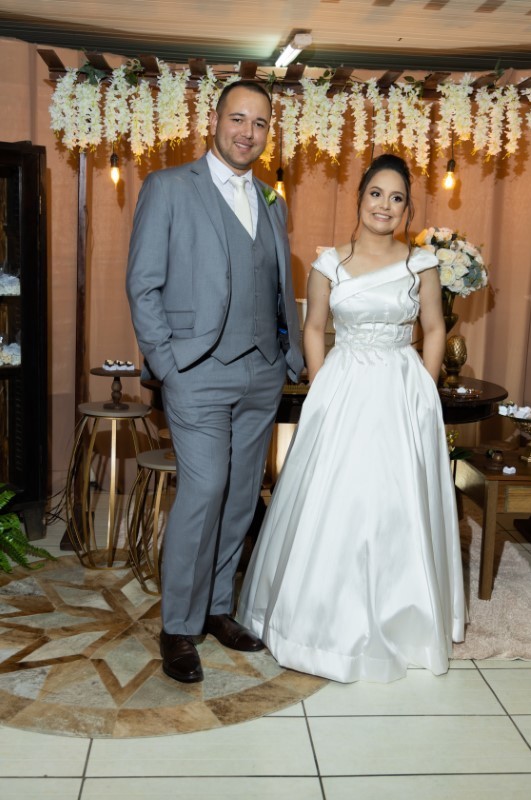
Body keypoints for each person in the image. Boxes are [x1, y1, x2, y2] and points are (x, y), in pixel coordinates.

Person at [238, 154, 465, 683]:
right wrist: (322, 385)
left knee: (396, 500)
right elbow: (313, 327)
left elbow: (435, 328)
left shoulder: (421, 264)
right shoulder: (328, 264)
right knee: (338, 499)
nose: (384, 205)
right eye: (376, 194)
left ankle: (404, 617)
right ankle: (320, 620)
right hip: (342, 387)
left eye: (396, 197)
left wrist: (424, 387)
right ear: (360, 198)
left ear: (407, 209)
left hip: (400, 388)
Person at [126, 80, 303, 684]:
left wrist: (287, 355)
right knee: (205, 491)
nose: (247, 133)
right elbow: (143, 283)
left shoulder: (272, 199)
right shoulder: (169, 187)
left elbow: (276, 283)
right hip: (195, 372)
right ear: (215, 120)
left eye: (260, 123)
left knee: (241, 494)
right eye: (238, 119)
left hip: (262, 372)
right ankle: (178, 625)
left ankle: (217, 607)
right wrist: (167, 363)